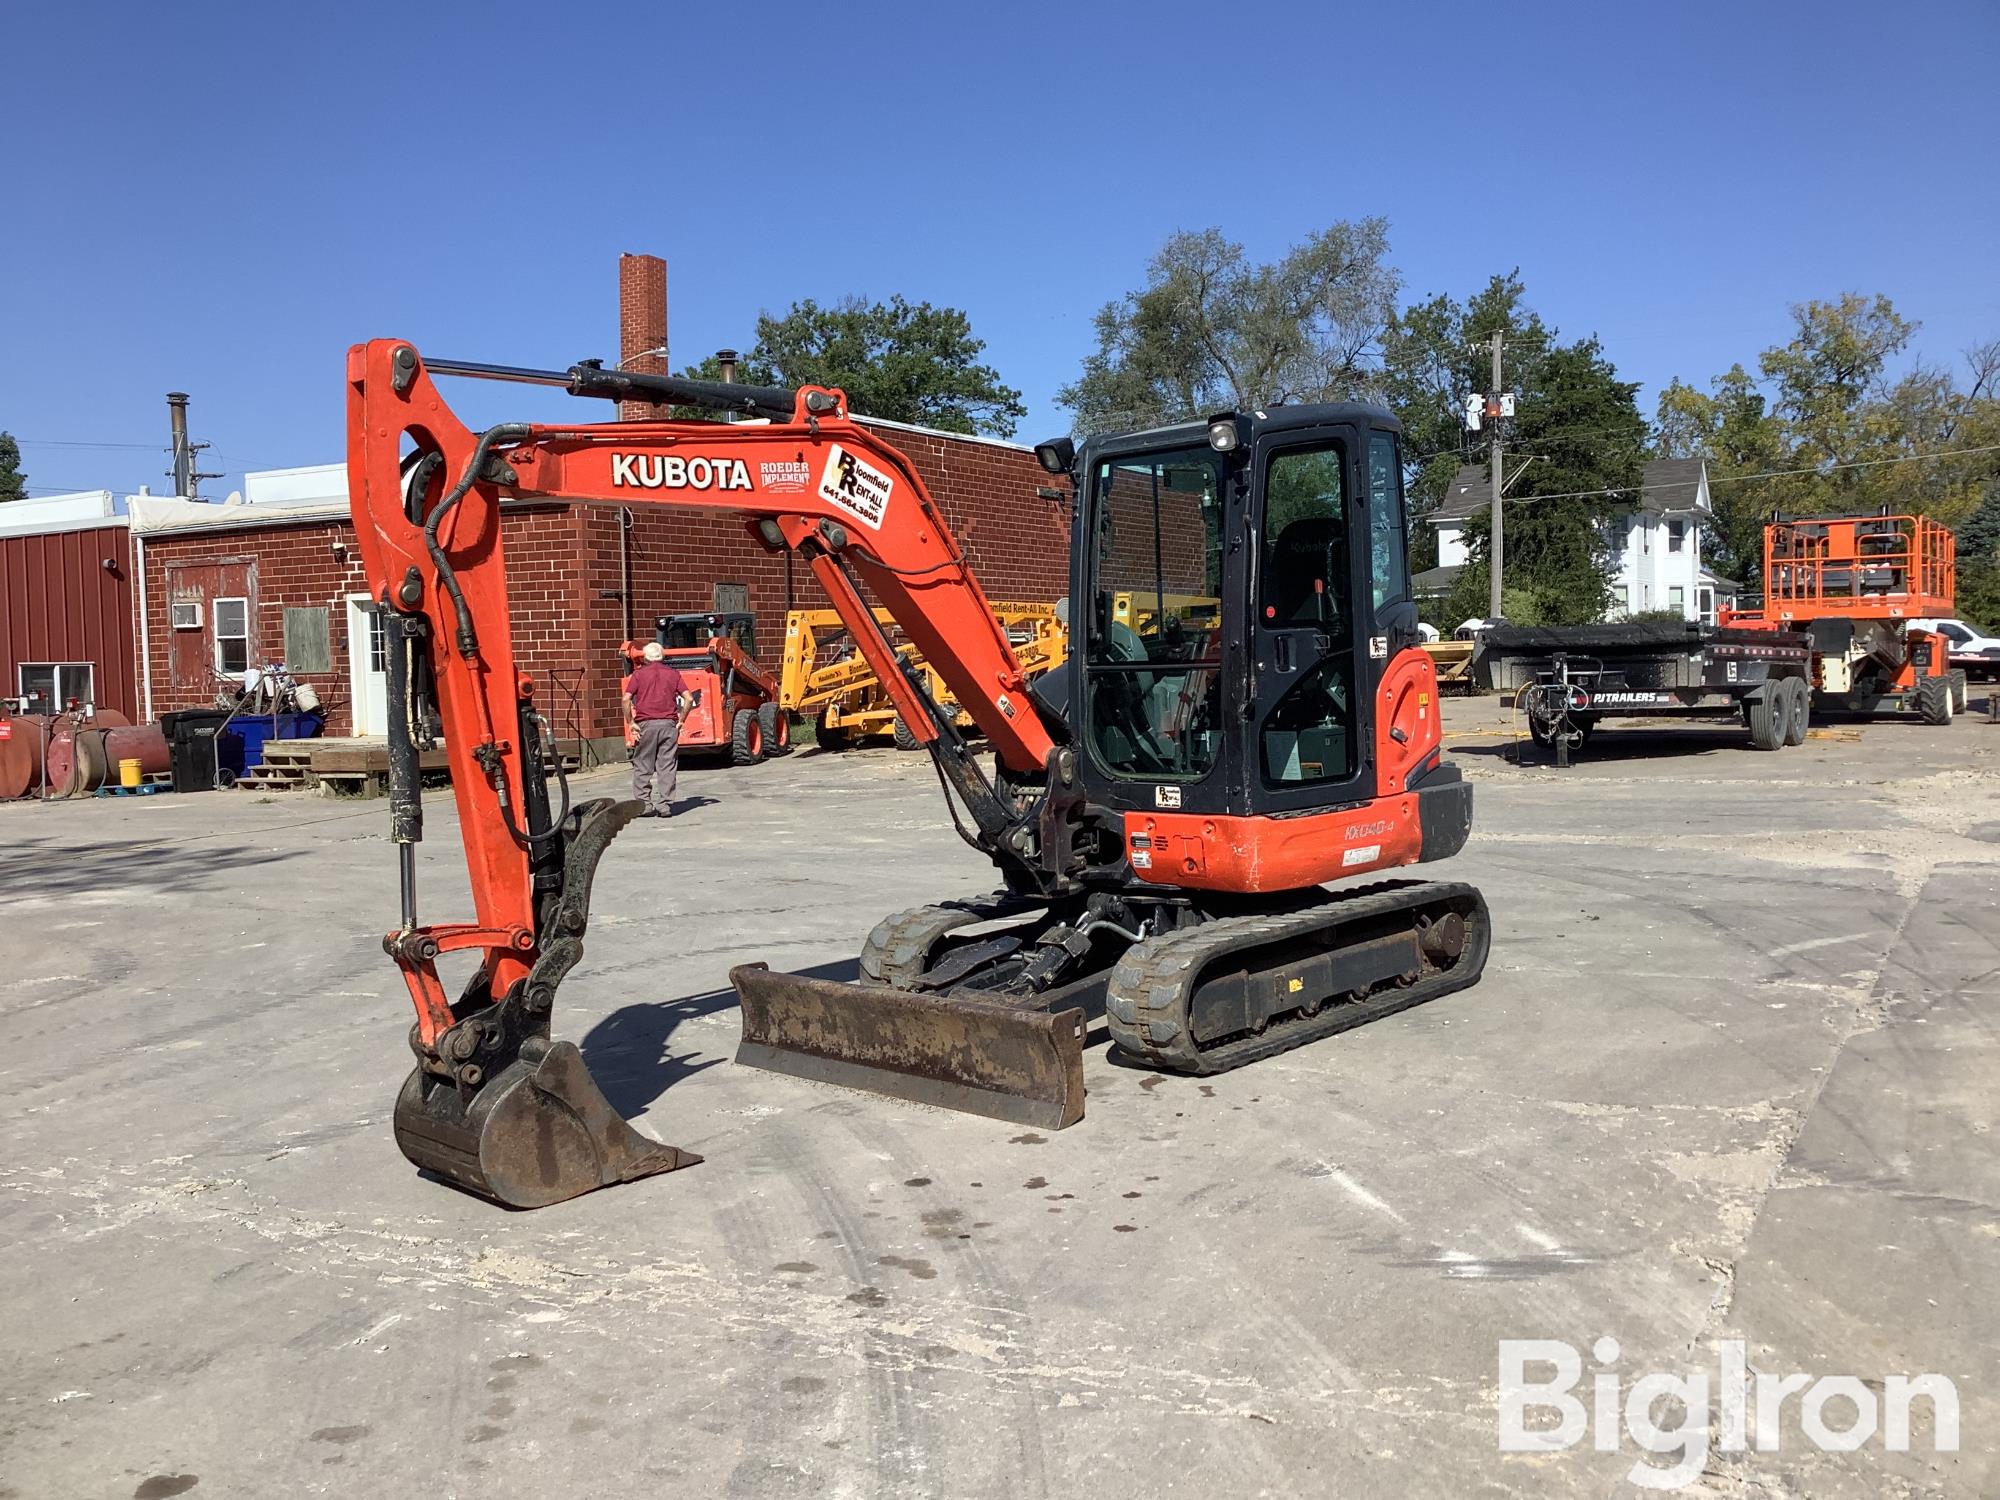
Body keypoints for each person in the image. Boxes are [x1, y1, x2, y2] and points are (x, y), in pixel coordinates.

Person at [623, 641, 687, 818]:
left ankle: (644, 804)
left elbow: (626, 700)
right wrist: (681, 720)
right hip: (668, 724)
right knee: (667, 765)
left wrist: (631, 722)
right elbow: (688, 699)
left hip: (646, 725)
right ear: (662, 656)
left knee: (643, 764)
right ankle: (664, 805)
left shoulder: (638, 675)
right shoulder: (673, 674)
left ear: (645, 657)